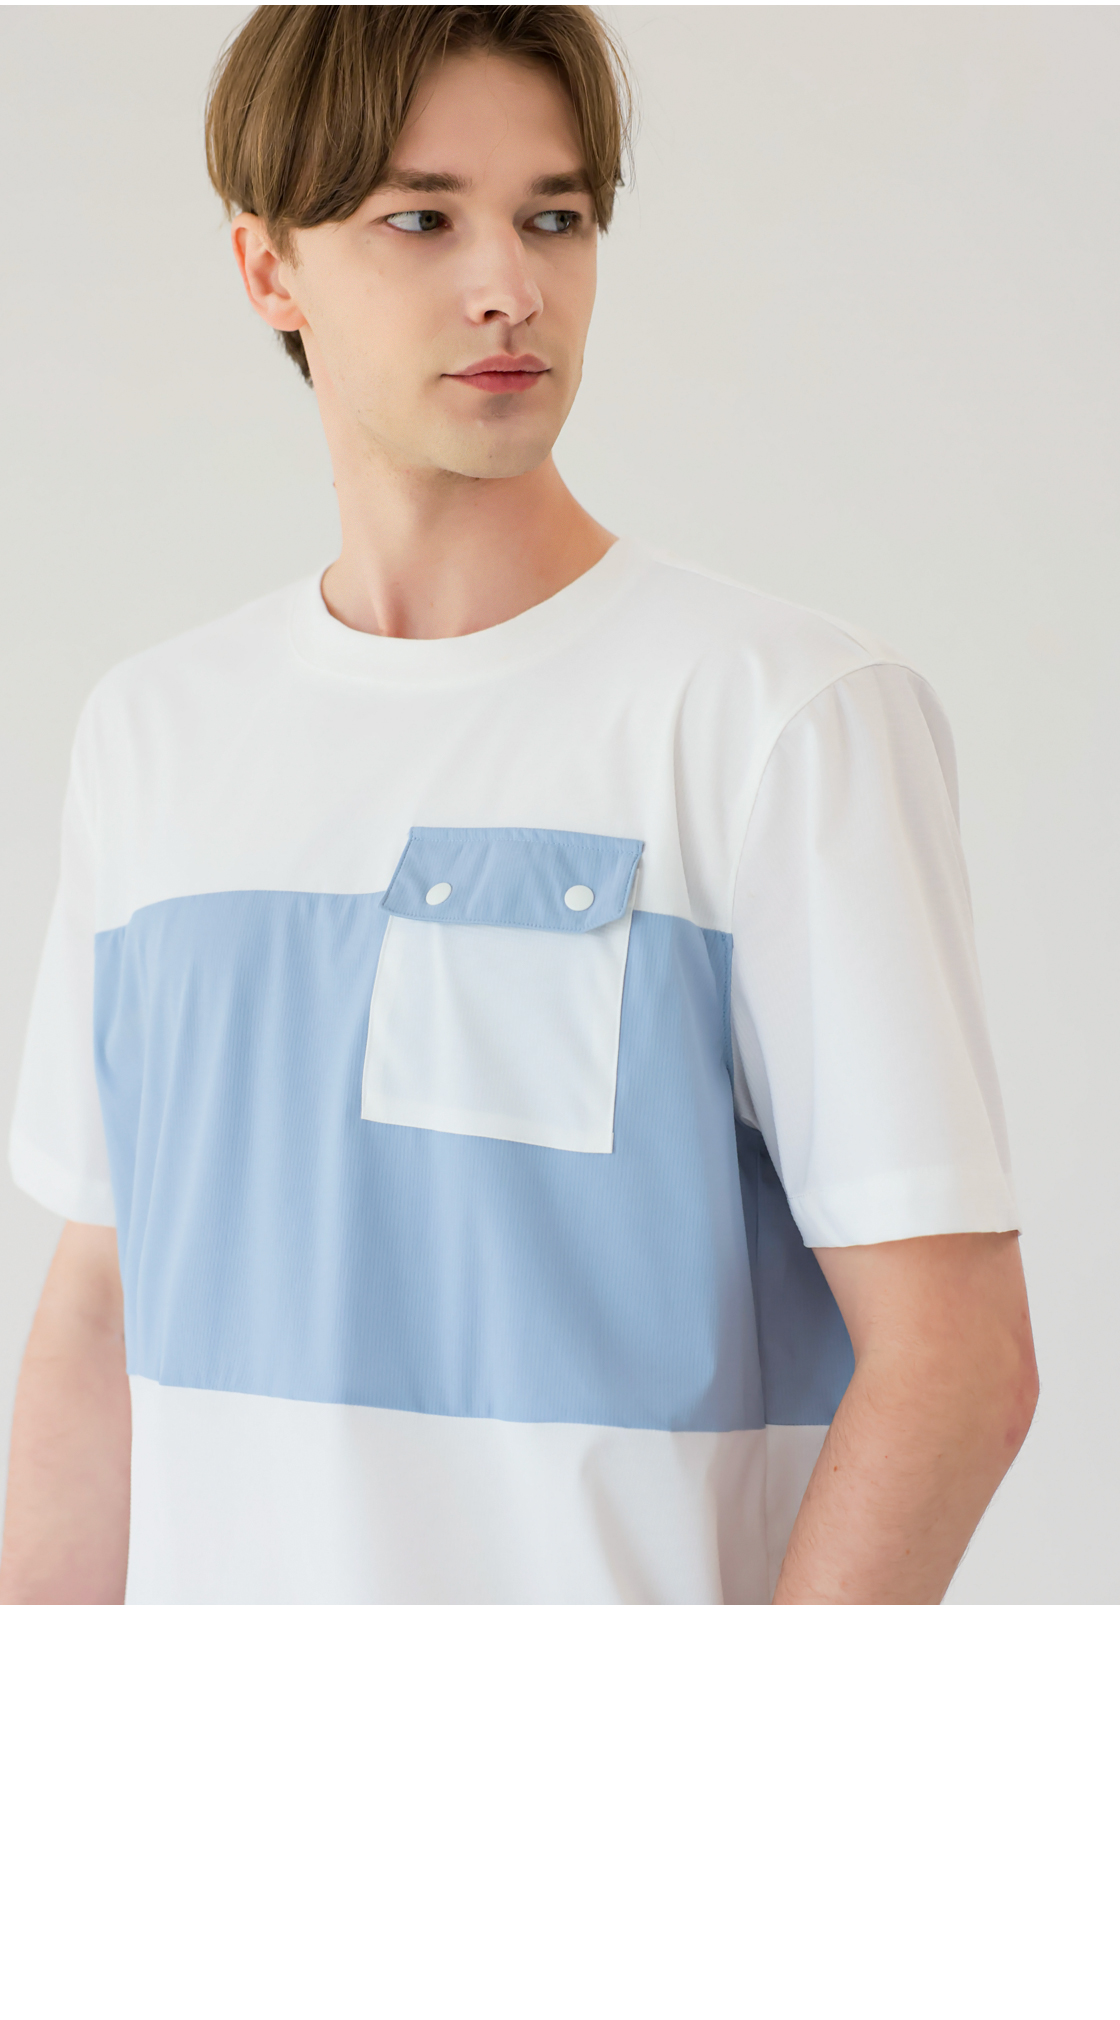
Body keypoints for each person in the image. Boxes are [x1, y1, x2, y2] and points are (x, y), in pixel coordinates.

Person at [0, 3, 1036, 1606]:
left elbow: (955, 1360)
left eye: (554, 217)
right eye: (422, 220)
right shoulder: (153, 735)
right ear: (268, 270)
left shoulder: (780, 720)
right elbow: (95, 1313)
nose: (511, 286)